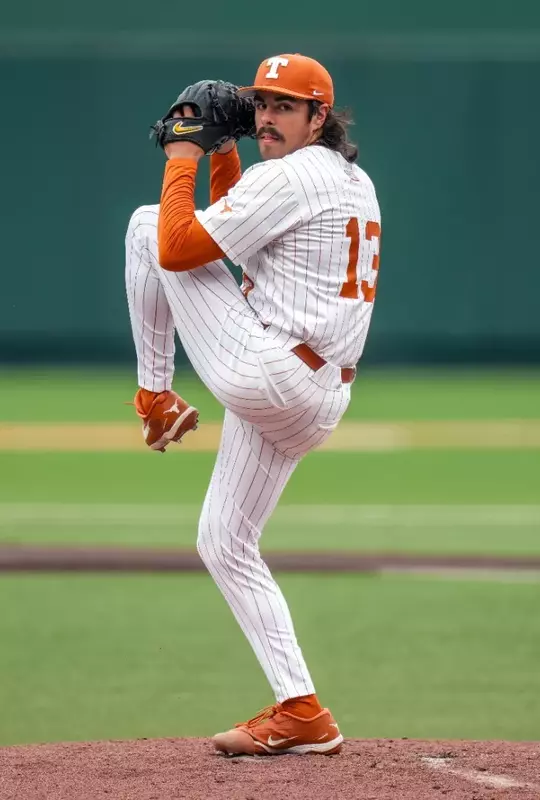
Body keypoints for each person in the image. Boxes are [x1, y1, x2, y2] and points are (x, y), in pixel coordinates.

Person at [125, 53, 381, 756]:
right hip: (313, 391)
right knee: (223, 541)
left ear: (318, 117)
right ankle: (302, 710)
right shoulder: (344, 178)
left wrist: (184, 152)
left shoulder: (294, 176)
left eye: (285, 106)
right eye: (260, 102)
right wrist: (226, 152)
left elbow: (180, 247)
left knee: (150, 227)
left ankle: (154, 395)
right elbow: (243, 246)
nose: (267, 115)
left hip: (269, 371)